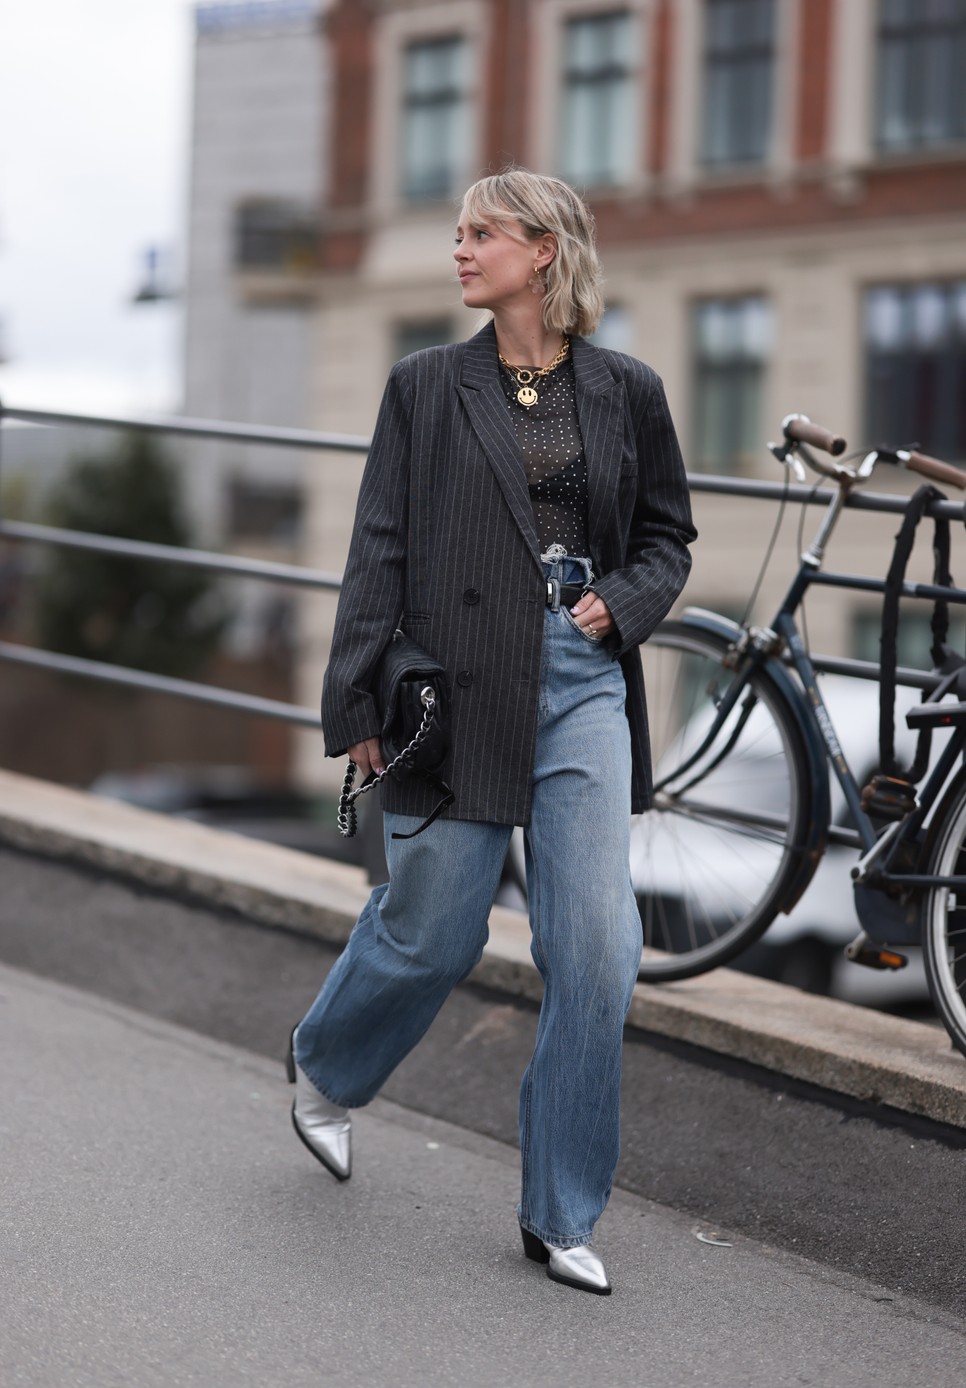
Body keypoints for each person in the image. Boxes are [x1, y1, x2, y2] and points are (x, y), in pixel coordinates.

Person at [287, 169, 696, 1296]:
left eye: (482, 233)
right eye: (458, 232)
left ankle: (560, 1209)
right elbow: (378, 546)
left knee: (599, 949)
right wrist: (358, 701)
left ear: (545, 252)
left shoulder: (628, 389)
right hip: (452, 685)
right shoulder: (424, 386)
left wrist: (628, 600)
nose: (459, 249)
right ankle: (323, 1064)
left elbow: (668, 536)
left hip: (580, 679)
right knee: (435, 930)